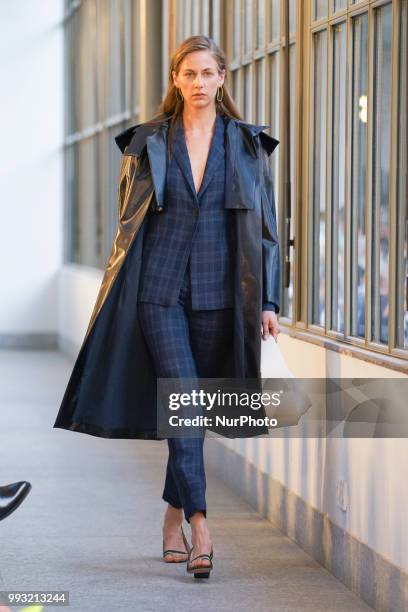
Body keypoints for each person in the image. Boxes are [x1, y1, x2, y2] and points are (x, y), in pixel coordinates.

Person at [54, 35, 281, 580]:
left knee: (191, 412)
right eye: (189, 75)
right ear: (175, 81)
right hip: (159, 293)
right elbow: (127, 225)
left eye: (208, 73)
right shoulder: (148, 142)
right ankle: (201, 528)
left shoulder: (246, 145)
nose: (199, 83)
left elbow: (266, 229)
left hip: (220, 295)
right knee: (184, 401)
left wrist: (268, 300)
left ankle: (171, 515)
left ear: (223, 78)